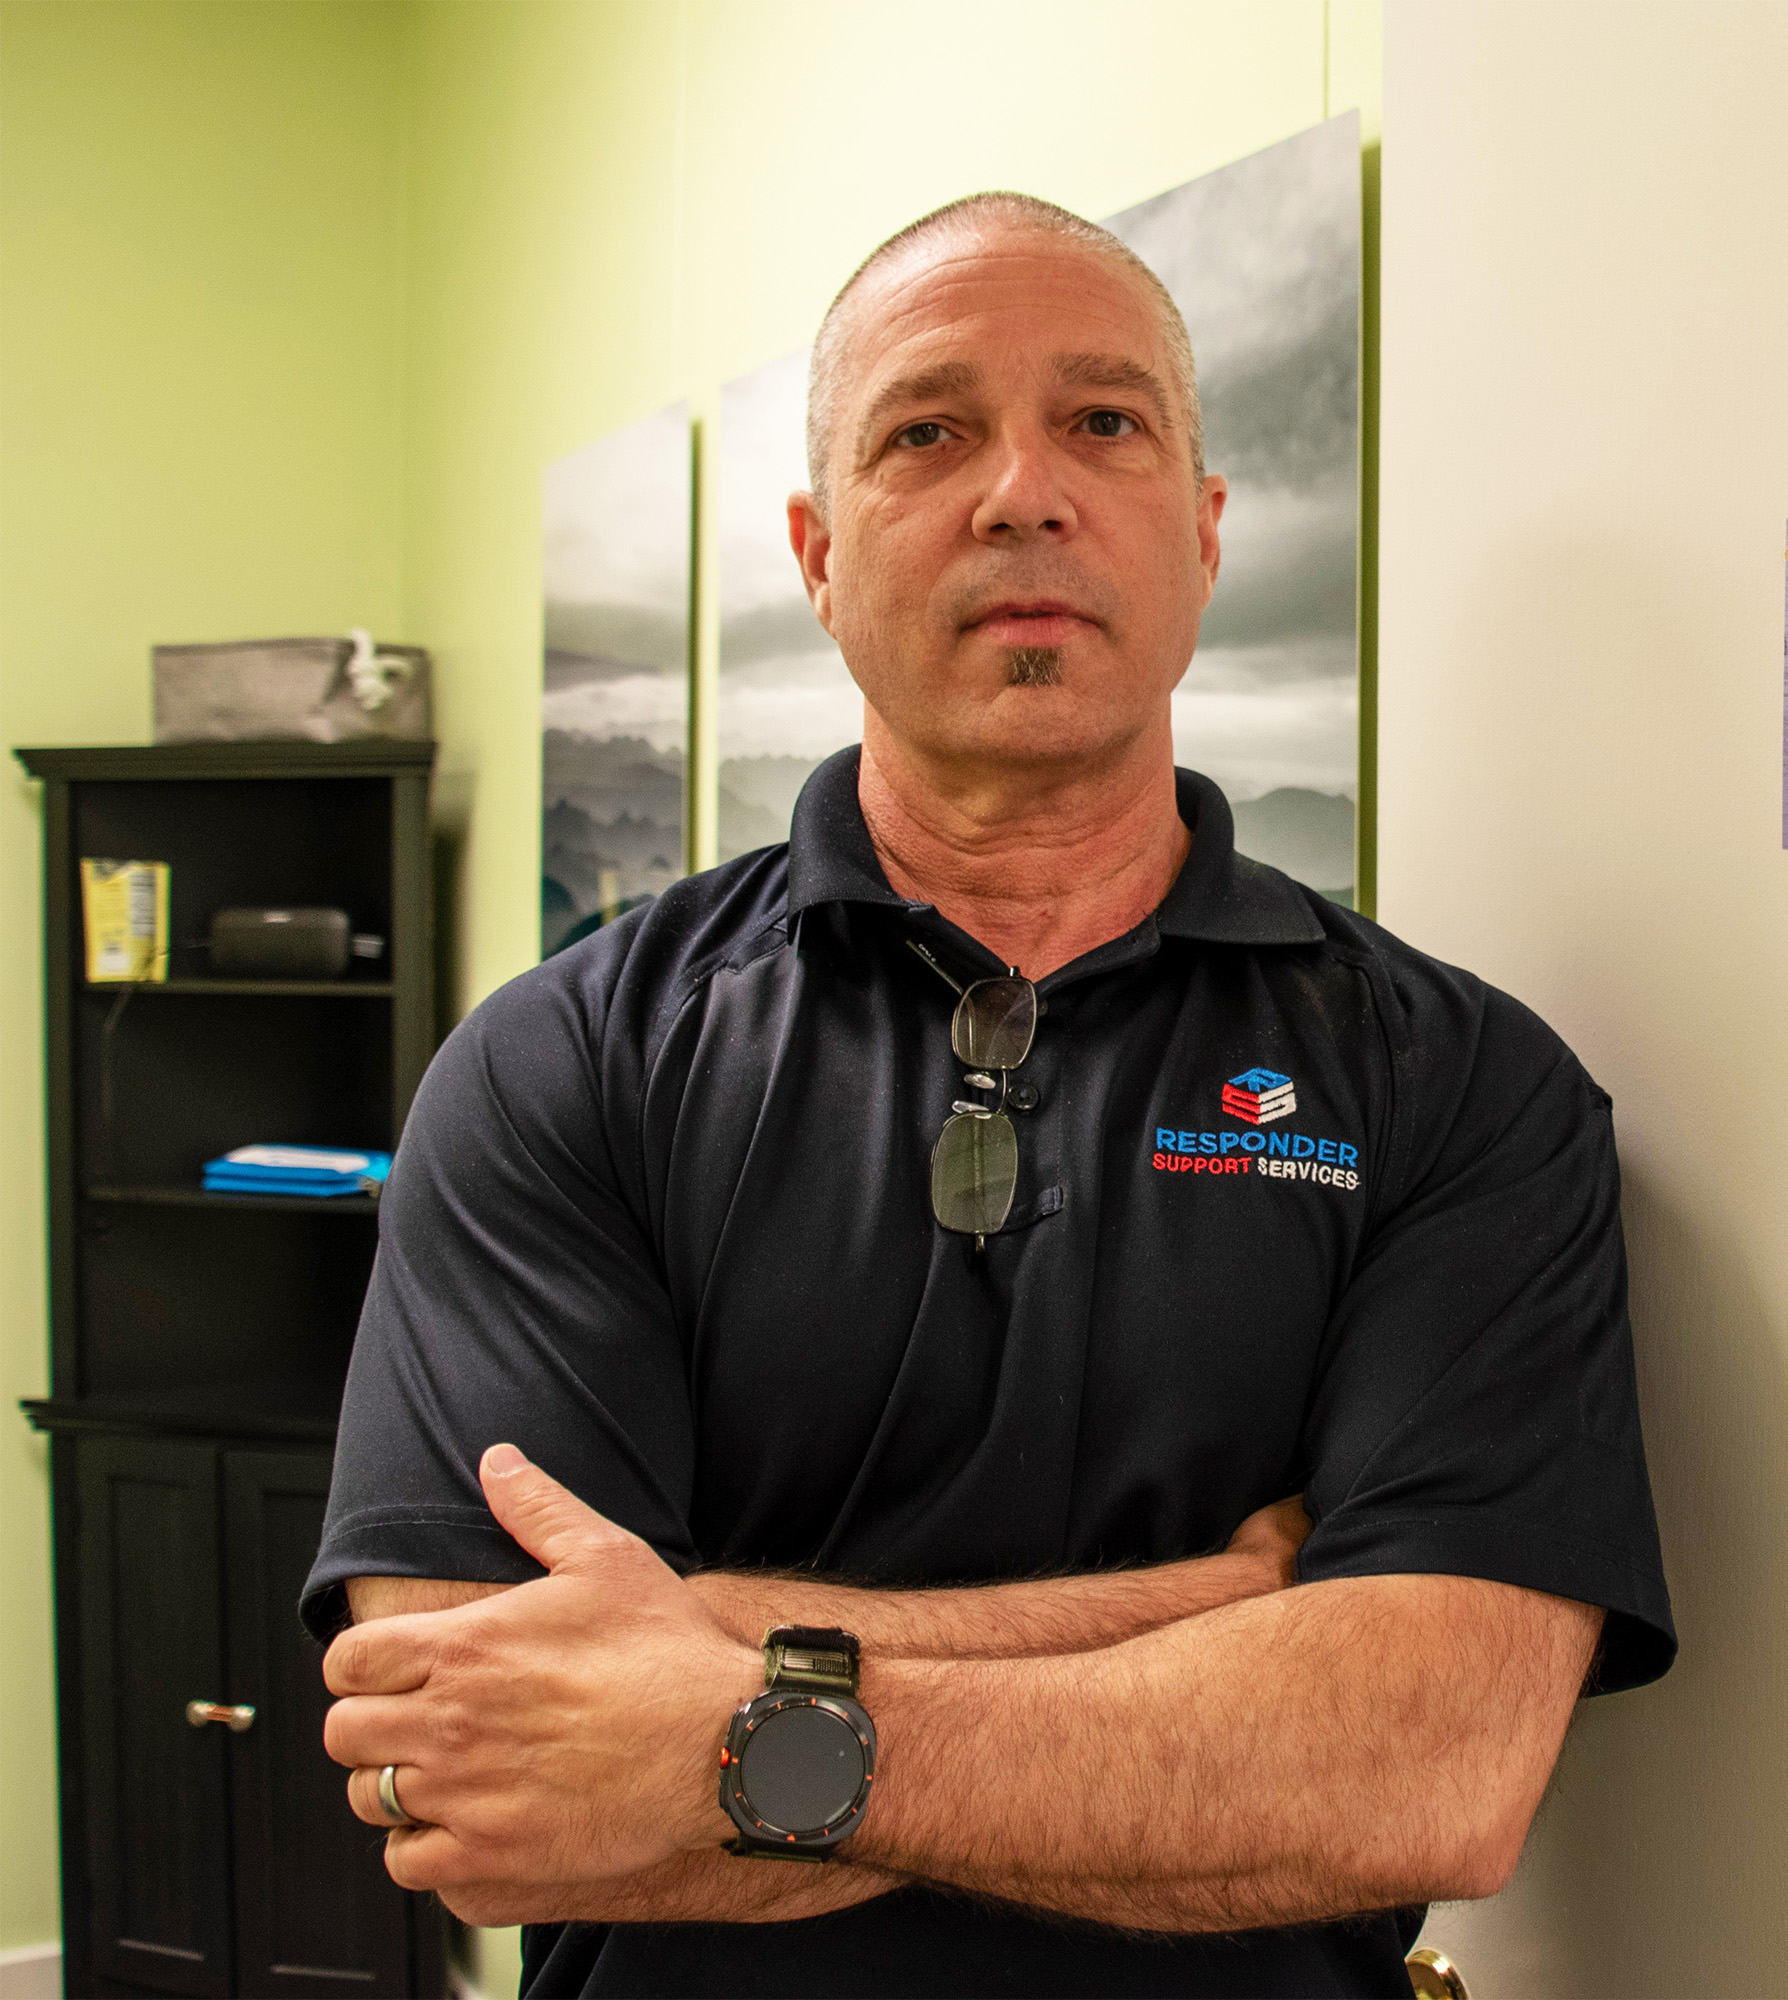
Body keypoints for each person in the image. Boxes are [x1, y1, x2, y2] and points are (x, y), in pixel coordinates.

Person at [303, 189, 1675, 1999]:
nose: (1023, 490)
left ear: (1202, 534)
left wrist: (705, 1710)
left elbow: (1422, 1769)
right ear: (818, 554)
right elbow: (476, 1760)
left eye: (1102, 421)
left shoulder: (1463, 1084)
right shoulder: (564, 1060)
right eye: (928, 433)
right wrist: (1219, 1616)